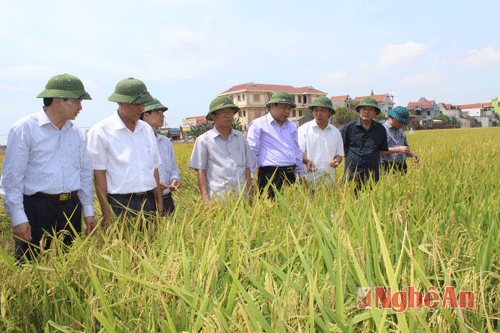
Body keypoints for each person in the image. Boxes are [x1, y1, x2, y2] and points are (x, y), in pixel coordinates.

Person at [0, 74, 96, 261]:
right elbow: (12, 178)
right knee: (31, 266)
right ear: (58, 100)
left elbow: (85, 174)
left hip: (70, 209)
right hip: (36, 208)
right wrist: (19, 218)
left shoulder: (76, 133)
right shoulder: (25, 129)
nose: (80, 107)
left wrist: (88, 212)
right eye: (77, 101)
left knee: (69, 265)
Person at [87, 78, 162, 228]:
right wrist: (106, 213)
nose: (140, 108)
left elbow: (154, 167)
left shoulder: (146, 129)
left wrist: (159, 201)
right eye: (135, 104)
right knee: (123, 249)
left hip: (148, 202)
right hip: (119, 204)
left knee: (152, 248)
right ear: (120, 103)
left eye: (143, 103)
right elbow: (99, 175)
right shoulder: (101, 131)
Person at [189, 96, 256, 203]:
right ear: (213, 116)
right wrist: (205, 198)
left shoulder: (241, 138)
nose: (228, 116)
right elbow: (201, 171)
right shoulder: (203, 140)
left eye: (230, 112)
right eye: (223, 112)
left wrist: (251, 194)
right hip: (219, 198)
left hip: (241, 196)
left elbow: (247, 167)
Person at [247, 91, 304, 199]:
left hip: (290, 173)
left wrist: (301, 173)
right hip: (270, 175)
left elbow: (296, 150)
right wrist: (251, 177)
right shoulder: (259, 124)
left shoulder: (291, 126)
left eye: (289, 109)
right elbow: (251, 151)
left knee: (292, 207)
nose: (287, 112)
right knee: (271, 207)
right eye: (283, 107)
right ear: (272, 106)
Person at [141, 98, 180, 214]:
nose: (162, 116)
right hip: (148, 200)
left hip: (167, 199)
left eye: (162, 113)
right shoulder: (138, 142)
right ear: (146, 115)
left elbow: (174, 167)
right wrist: (154, 184)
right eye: (158, 112)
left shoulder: (165, 141)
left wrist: (175, 179)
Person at [341, 97, 390, 188]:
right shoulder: (348, 128)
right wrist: (354, 158)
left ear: (375, 113)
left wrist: (371, 157)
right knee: (350, 199)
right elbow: (341, 150)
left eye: (370, 110)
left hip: (372, 175)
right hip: (352, 175)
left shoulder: (380, 129)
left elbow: (383, 150)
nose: (366, 112)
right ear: (359, 111)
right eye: (363, 109)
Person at [298, 96, 344, 188]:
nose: (319, 114)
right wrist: (307, 162)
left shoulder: (335, 132)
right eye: (316, 110)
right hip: (308, 179)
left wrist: (336, 161)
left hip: (328, 181)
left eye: (322, 110)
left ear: (329, 112)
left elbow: (339, 154)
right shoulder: (304, 129)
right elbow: (299, 153)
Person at [380, 106, 420, 173]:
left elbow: (404, 149)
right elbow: (378, 151)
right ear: (393, 118)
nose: (402, 125)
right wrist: (398, 149)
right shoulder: (381, 130)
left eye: (404, 123)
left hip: (402, 166)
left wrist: (412, 155)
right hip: (387, 167)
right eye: (400, 122)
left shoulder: (400, 130)